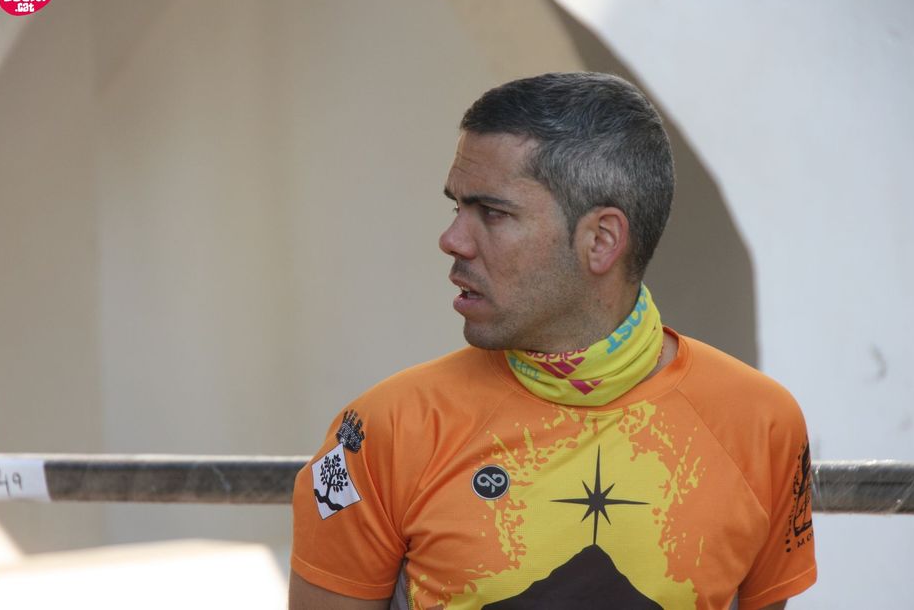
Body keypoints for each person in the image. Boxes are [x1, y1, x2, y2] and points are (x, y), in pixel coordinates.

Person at [289, 72, 816, 609]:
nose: (452, 240)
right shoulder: (383, 429)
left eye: (493, 213)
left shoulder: (761, 422)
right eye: (457, 208)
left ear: (601, 240)